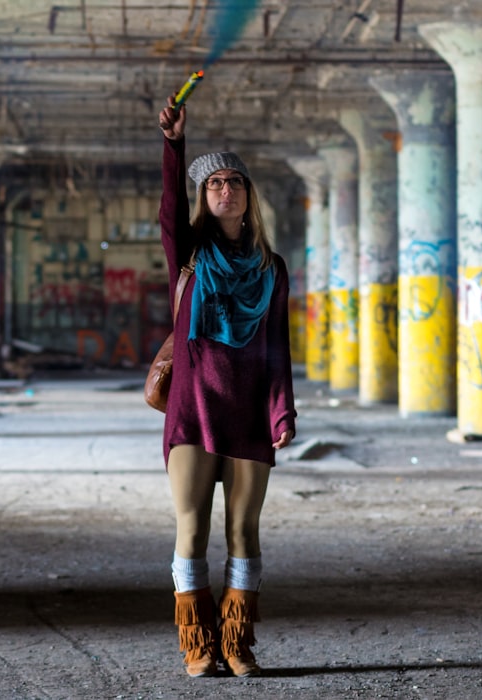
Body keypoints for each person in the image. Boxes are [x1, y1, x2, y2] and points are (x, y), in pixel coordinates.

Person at [156, 94, 297, 678]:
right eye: (213, 183)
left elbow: (280, 347)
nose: (224, 190)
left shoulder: (272, 268)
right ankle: (197, 643)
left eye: (233, 181)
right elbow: (167, 212)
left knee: (244, 530)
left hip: (247, 414)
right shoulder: (188, 253)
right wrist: (173, 146)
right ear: (203, 197)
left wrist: (282, 411)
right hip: (192, 411)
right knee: (192, 528)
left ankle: (237, 642)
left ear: (247, 196)